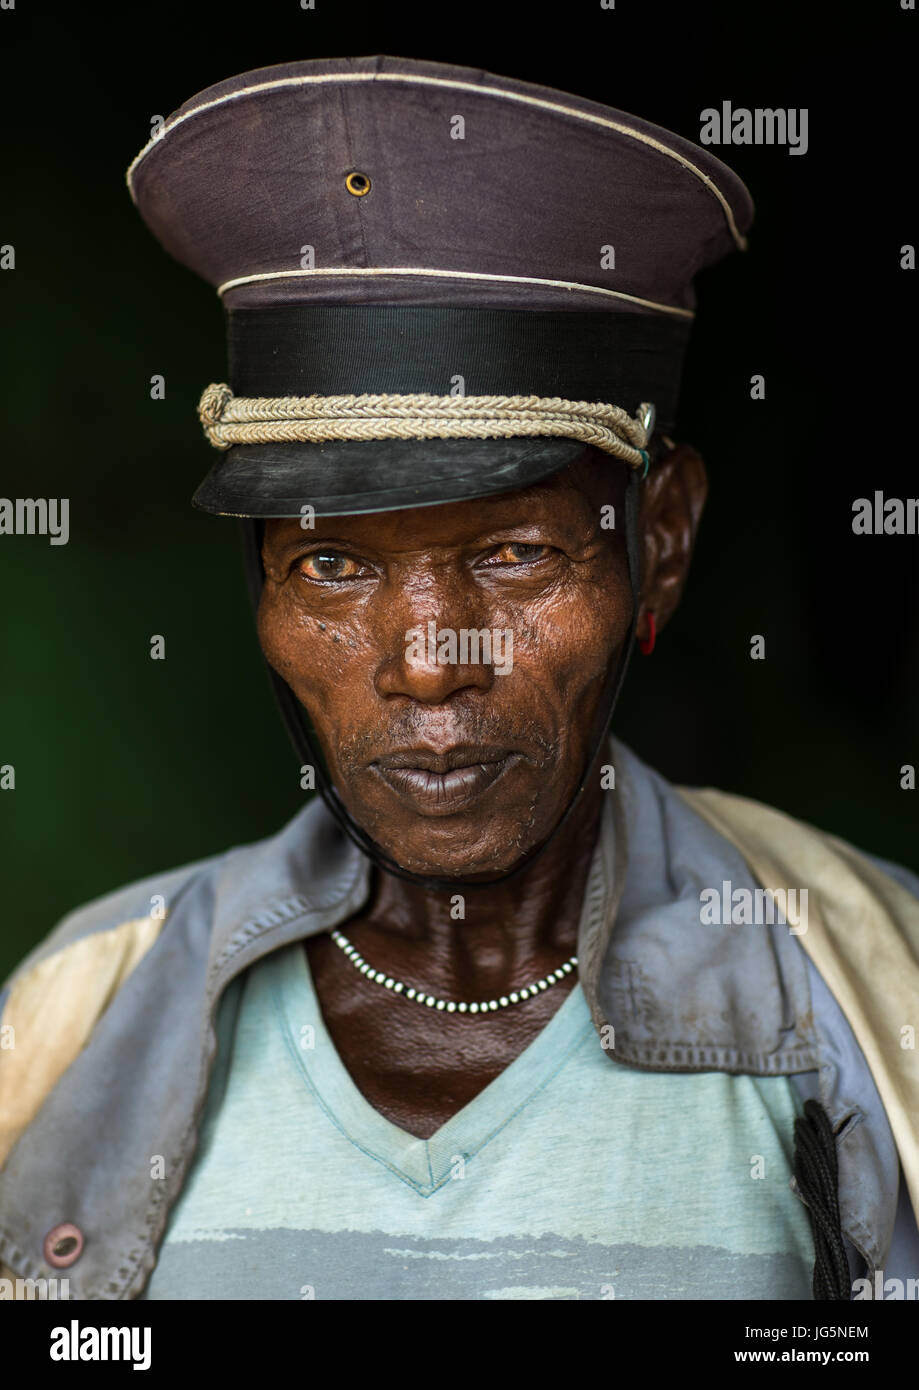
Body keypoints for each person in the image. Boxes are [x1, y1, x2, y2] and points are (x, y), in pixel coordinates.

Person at [1, 55, 917, 1303]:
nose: (429, 662)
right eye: (330, 562)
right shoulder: (72, 1019)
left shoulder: (880, 988)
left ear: (661, 542)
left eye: (514, 553)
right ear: (257, 581)